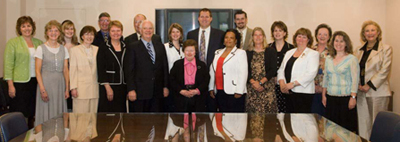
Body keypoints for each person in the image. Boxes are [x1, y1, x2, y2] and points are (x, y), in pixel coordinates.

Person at [355, 20, 392, 138]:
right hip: (361, 92)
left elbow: (384, 70)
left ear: (378, 32)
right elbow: (354, 69)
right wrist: (358, 85)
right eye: (367, 31)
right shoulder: (358, 50)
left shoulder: (386, 49)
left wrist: (369, 85)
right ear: (363, 34)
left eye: (372, 30)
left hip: (378, 92)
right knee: (363, 124)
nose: (370, 33)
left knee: (378, 125)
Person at [4, 16, 43, 128]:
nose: (27, 28)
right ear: (19, 29)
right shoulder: (13, 43)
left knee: (33, 113)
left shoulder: (38, 43)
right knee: (20, 113)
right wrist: (10, 85)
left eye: (29, 25)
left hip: (35, 82)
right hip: (19, 83)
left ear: (33, 27)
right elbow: (8, 65)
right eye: (23, 26)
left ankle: (31, 137)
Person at [124, 20, 169, 112]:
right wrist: (131, 89)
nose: (148, 30)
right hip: (139, 93)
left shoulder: (160, 46)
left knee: (157, 122)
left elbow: (165, 67)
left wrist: (165, 86)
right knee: (140, 123)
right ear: (140, 30)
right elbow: (129, 70)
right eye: (145, 28)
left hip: (157, 92)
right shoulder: (132, 47)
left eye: (150, 28)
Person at [186, 8, 224, 112]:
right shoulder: (191, 34)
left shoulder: (220, 34)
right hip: (195, 76)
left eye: (207, 16)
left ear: (211, 19)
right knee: (197, 107)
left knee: (212, 106)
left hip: (214, 74)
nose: (204, 19)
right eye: (202, 16)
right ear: (198, 18)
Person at [322, 31, 359, 133]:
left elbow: (355, 80)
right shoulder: (328, 59)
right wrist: (324, 95)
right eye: (336, 41)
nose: (338, 44)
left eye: (341, 41)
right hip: (331, 98)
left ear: (346, 43)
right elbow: (326, 78)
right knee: (331, 130)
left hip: (346, 99)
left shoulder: (352, 59)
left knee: (345, 131)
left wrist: (353, 97)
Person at [35, 20, 69, 126]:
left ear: (59, 33)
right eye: (50, 30)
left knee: (59, 112)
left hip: (60, 84)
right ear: (46, 33)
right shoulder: (41, 48)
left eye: (56, 30)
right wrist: (42, 89)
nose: (53, 33)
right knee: (46, 111)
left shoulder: (64, 49)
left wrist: (67, 88)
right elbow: (37, 70)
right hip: (46, 83)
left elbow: (65, 70)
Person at [246, 27, 278, 141]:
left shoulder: (270, 51)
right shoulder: (247, 52)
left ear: (264, 37)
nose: (258, 37)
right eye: (255, 35)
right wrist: (253, 82)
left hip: (267, 89)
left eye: (260, 35)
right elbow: (245, 70)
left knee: (268, 118)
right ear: (252, 37)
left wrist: (261, 82)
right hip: (252, 89)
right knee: (253, 117)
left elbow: (273, 69)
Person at [277, 28, 319, 113]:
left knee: (302, 122)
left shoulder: (313, 54)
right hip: (287, 92)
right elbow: (281, 69)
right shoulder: (289, 52)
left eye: (304, 37)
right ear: (295, 38)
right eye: (299, 36)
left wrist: (293, 84)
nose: (301, 39)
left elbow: (311, 73)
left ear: (308, 40)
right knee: (289, 122)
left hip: (303, 93)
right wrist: (282, 84)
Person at [209, 29, 248, 112]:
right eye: (226, 37)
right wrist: (211, 87)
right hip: (219, 90)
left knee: (234, 120)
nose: (228, 40)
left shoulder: (240, 53)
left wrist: (239, 91)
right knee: (220, 119)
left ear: (236, 40)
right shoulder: (217, 52)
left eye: (231, 38)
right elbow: (212, 71)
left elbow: (243, 73)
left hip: (234, 91)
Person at [169, 39, 210, 112]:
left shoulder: (202, 65)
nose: (189, 53)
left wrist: (197, 91)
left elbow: (206, 80)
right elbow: (172, 80)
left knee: (197, 122)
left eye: (192, 50)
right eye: (187, 50)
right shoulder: (177, 64)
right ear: (183, 51)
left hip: (198, 97)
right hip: (181, 97)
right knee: (181, 121)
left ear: (195, 52)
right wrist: (181, 91)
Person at [97, 20, 127, 112]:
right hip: (109, 87)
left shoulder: (126, 46)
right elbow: (101, 68)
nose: (116, 33)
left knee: (121, 114)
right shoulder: (103, 47)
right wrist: (107, 87)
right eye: (113, 31)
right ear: (109, 32)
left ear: (121, 32)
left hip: (122, 86)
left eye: (118, 30)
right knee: (108, 115)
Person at [69, 25, 99, 113]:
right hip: (80, 89)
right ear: (82, 36)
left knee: (93, 118)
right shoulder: (74, 50)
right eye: (87, 34)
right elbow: (72, 70)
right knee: (81, 118)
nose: (89, 37)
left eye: (91, 34)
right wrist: (73, 87)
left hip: (94, 88)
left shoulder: (97, 49)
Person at [268, 21, 295, 113]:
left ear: (285, 33)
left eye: (280, 30)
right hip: (270, 84)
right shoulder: (268, 48)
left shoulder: (291, 48)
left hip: (286, 84)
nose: (277, 33)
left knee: (286, 111)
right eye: (275, 30)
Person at [311, 23, 332, 116]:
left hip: (328, 91)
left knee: (327, 120)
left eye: (325, 34)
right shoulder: (310, 51)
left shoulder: (333, 52)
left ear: (329, 37)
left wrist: (324, 89)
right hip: (312, 90)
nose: (322, 36)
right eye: (320, 34)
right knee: (313, 120)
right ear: (316, 36)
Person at [164, 23, 184, 112]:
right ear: (170, 34)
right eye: (173, 32)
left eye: (177, 32)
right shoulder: (164, 47)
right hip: (170, 82)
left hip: (183, 83)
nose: (175, 34)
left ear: (181, 34)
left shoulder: (185, 47)